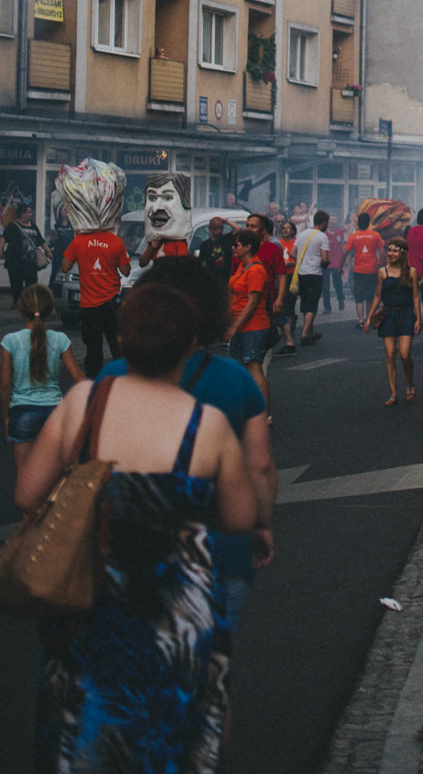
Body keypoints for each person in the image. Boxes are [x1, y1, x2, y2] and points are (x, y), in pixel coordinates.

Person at [18, 279, 255, 773]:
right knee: (172, 729)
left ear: (122, 340)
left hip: (90, 601)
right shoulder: (205, 424)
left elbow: (27, 493)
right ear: (190, 346)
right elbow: (239, 517)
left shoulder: (85, 401)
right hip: (176, 615)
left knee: (86, 722)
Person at [98, 256, 277, 632]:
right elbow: (258, 464)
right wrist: (259, 524)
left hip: (119, 547)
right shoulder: (235, 379)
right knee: (199, 669)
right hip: (215, 553)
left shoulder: (109, 378)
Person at [2, 283, 82, 464]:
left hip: (22, 411)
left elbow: (6, 383)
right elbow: (78, 376)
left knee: (25, 479)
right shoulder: (60, 339)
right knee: (61, 476)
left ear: (21, 309)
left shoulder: (10, 341)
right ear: (49, 310)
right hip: (55, 411)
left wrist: (7, 416)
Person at [70, 204, 131, 373]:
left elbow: (65, 265)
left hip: (89, 304)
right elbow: (126, 270)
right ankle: (121, 376)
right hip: (111, 301)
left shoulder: (79, 240)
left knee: (93, 345)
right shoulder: (115, 242)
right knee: (115, 342)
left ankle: (93, 379)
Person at [365, 237, 422, 406]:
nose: (390, 253)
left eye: (395, 250)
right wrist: (369, 317)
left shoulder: (411, 272)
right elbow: (377, 296)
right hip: (388, 314)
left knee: (405, 354)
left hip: (406, 314)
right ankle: (393, 393)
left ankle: (409, 381)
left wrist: (418, 318)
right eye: (389, 250)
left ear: (403, 253)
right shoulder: (383, 272)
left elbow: (415, 296)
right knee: (390, 354)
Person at [224, 226, 271, 410]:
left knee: (254, 367)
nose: (233, 248)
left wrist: (234, 327)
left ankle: (264, 412)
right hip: (240, 325)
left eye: (237, 245)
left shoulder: (256, 270)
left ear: (248, 247)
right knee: (236, 368)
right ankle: (243, 408)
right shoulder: (241, 268)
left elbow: (252, 303)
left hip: (253, 326)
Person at [246, 211, 286, 341]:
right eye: (247, 226)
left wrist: (279, 298)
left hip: (266, 300)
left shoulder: (272, 249)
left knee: (263, 339)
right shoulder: (241, 250)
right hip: (244, 299)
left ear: (263, 231)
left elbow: (281, 275)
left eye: (253, 226)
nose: (249, 229)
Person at [293, 209, 331, 343]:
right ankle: (304, 334)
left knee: (306, 303)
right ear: (323, 222)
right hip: (315, 273)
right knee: (312, 304)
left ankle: (311, 331)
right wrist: (324, 264)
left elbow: (293, 253)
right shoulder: (322, 236)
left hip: (302, 273)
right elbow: (325, 258)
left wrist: (302, 261)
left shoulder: (302, 234)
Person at [3, 202, 49, 304]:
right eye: (28, 212)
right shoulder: (13, 226)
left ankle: (30, 302)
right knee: (16, 283)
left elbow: (40, 241)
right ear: (22, 214)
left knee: (32, 282)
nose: (31, 214)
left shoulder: (33, 226)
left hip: (31, 262)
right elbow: (4, 239)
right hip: (16, 261)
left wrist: (48, 251)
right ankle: (17, 301)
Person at [345, 211, 385, 327]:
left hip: (358, 270)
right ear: (368, 223)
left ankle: (361, 320)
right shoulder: (375, 235)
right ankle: (369, 318)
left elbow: (345, 252)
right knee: (370, 295)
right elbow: (382, 252)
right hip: (372, 270)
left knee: (359, 296)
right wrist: (380, 264)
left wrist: (342, 265)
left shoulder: (354, 236)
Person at [275, 221, 299, 352]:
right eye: (283, 228)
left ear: (293, 231)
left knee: (290, 302)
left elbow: (298, 259)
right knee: (281, 301)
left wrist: (289, 264)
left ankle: (289, 325)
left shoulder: (295, 243)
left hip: (291, 276)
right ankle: (284, 326)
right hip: (279, 276)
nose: (285, 231)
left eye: (288, 228)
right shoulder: (278, 242)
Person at [200, 216, 236, 282]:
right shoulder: (205, 245)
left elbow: (238, 229)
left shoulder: (226, 239)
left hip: (225, 277)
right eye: (216, 228)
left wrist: (226, 220)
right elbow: (201, 262)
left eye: (221, 228)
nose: (219, 231)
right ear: (210, 229)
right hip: (211, 279)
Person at [323, 216, 346, 313]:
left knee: (338, 284)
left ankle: (341, 299)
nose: (332, 221)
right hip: (326, 263)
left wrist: (344, 260)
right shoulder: (323, 233)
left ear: (336, 221)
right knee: (325, 287)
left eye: (333, 219)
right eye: (330, 220)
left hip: (337, 262)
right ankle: (327, 308)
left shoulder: (340, 232)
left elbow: (343, 246)